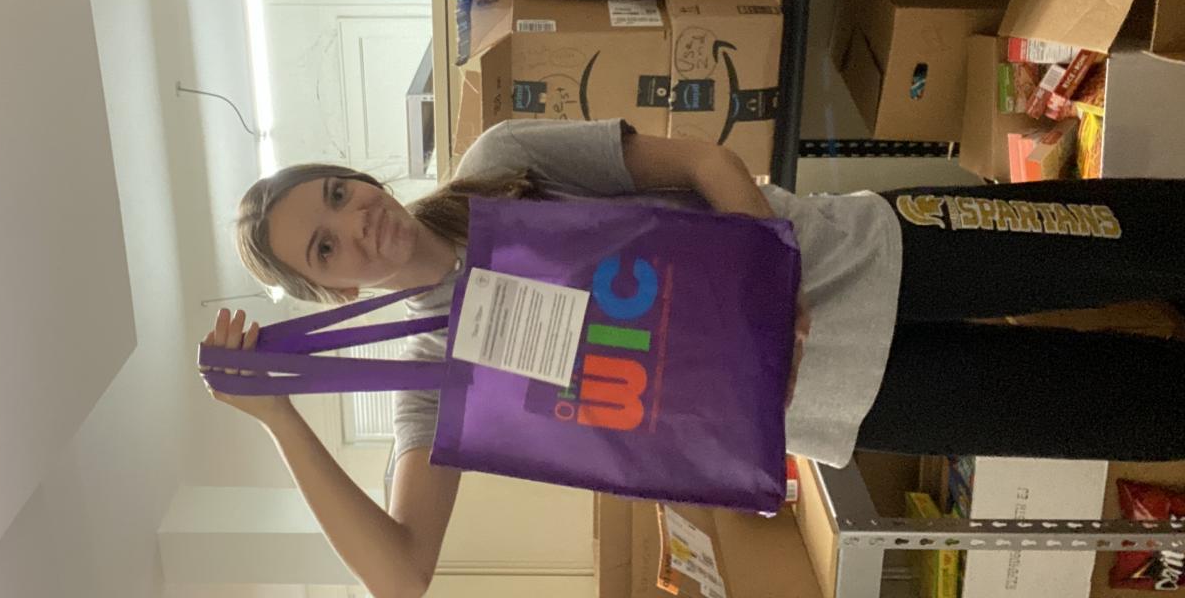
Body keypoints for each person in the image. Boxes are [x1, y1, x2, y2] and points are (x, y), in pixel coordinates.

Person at [200, 118, 1185, 598]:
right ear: (328, 293)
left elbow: (704, 161)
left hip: (875, 250)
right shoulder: (432, 382)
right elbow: (400, 573)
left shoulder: (500, 165)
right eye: (323, 247)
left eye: (337, 193)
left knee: (1128, 239)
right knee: (1118, 409)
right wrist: (279, 415)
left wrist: (773, 283)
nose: (354, 223)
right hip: (855, 400)